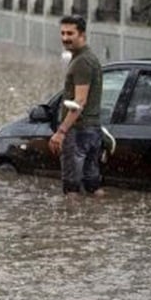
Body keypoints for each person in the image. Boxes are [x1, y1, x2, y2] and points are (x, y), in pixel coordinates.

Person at [49, 15, 104, 196]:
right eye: (63, 33)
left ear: (82, 34)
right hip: (93, 129)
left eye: (70, 33)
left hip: (78, 131)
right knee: (92, 185)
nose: (65, 38)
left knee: (71, 188)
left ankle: (71, 222)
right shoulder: (89, 58)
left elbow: (80, 101)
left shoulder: (82, 62)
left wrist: (61, 132)